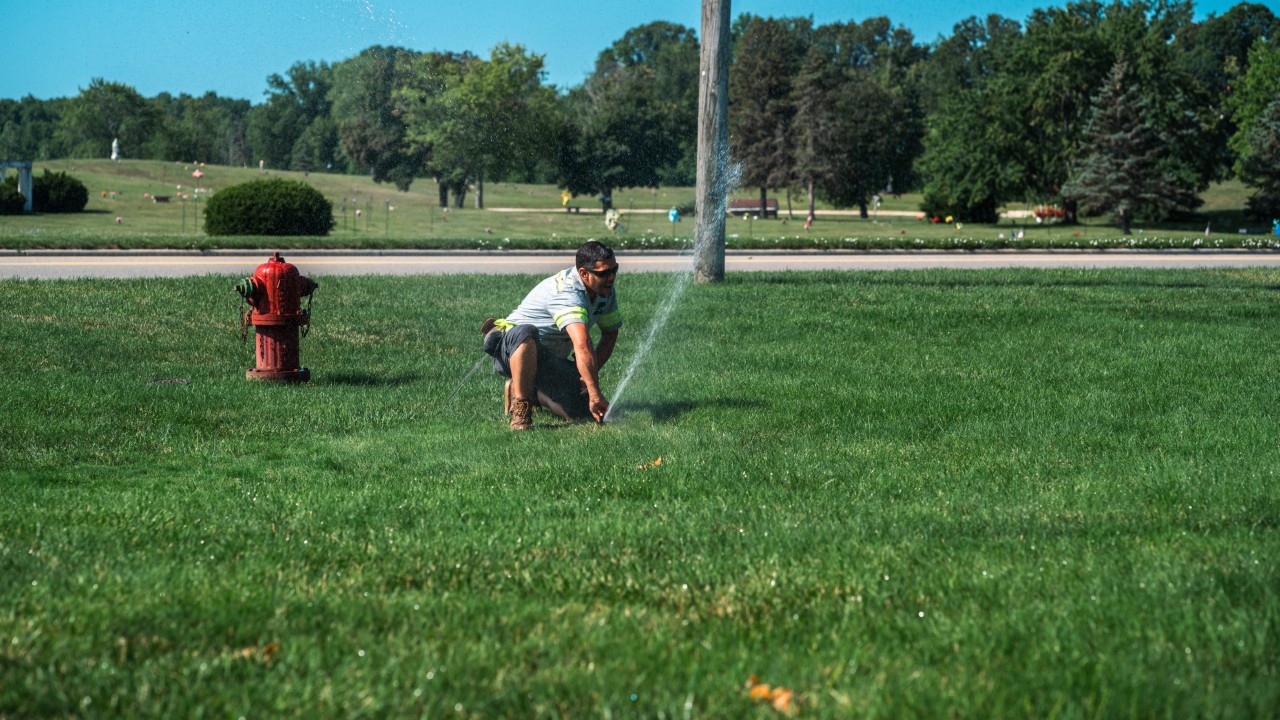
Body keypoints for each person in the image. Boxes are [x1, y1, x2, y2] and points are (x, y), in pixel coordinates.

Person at [482, 240, 622, 430]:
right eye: (604, 273)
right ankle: (521, 411)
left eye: (614, 269)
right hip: (512, 350)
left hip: (549, 361)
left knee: (583, 412)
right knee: (526, 331)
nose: (611, 277)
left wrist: (586, 377)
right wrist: (594, 391)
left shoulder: (604, 290)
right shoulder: (567, 292)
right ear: (583, 273)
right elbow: (582, 344)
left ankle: (530, 390)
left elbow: (610, 333)